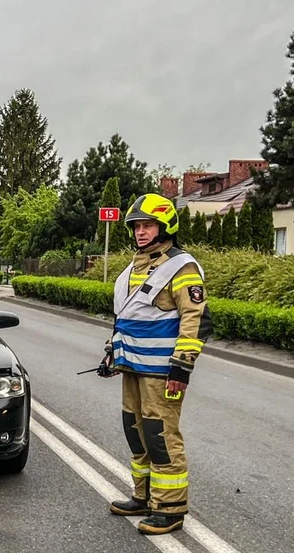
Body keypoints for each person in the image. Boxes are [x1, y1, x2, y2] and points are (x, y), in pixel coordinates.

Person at [100, 193, 213, 535]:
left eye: (148, 225)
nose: (140, 232)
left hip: (164, 371)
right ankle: (144, 495)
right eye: (136, 226)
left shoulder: (181, 267)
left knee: (161, 434)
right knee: (136, 431)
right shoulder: (134, 268)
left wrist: (182, 368)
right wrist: (111, 352)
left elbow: (196, 321)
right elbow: (127, 318)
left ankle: (171, 508)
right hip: (133, 367)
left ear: (165, 226)